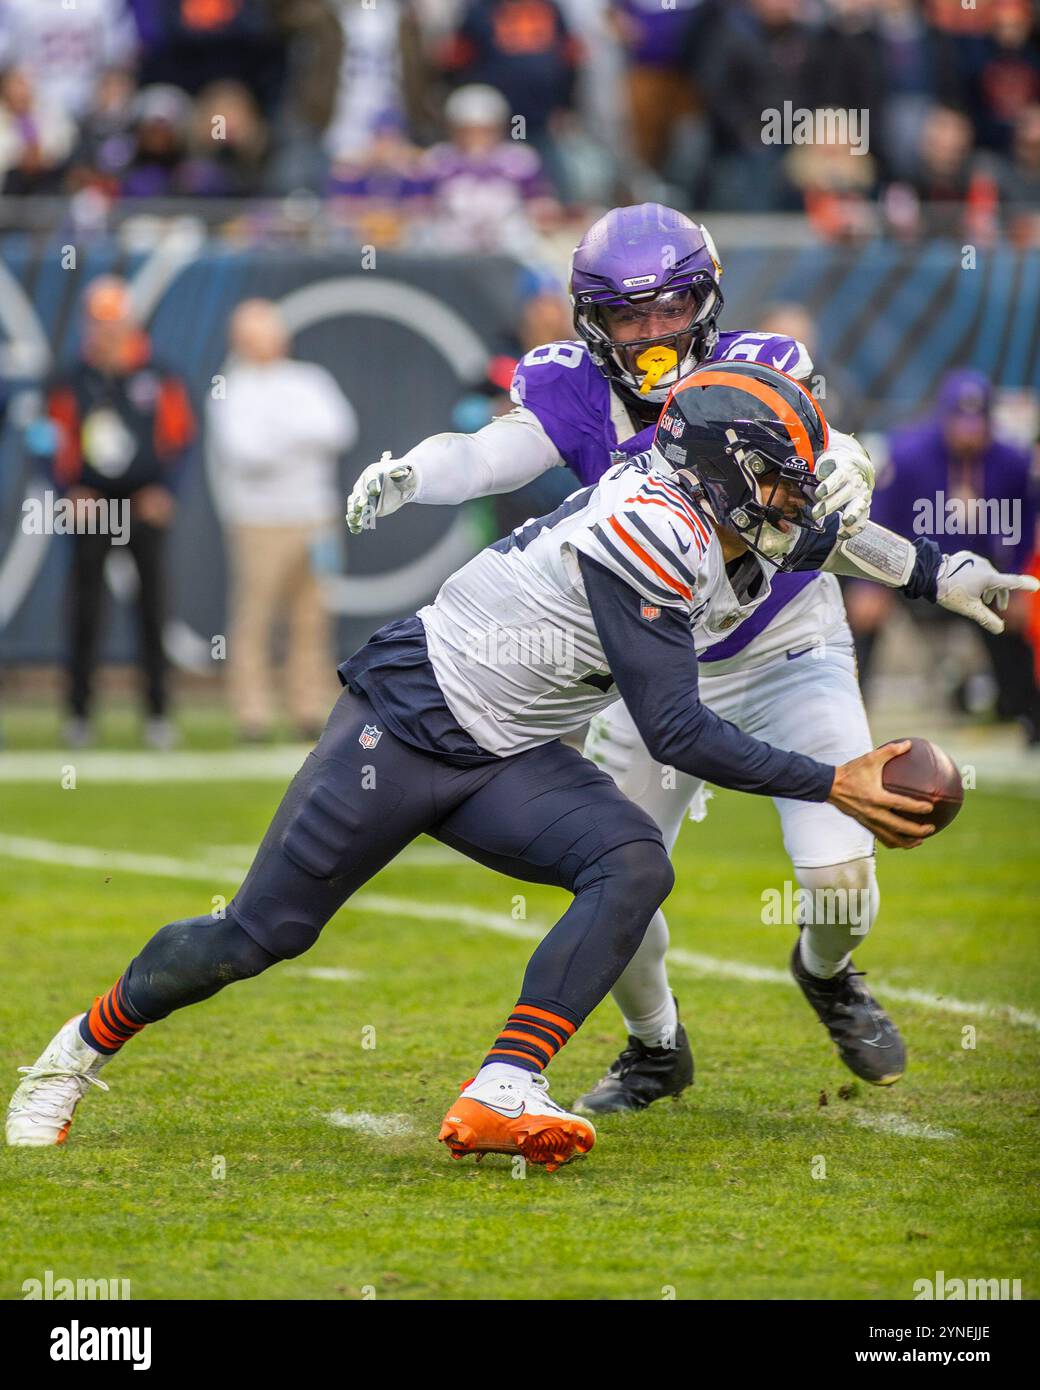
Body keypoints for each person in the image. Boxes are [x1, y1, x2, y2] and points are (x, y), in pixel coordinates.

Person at [7, 362, 954, 1167]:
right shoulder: (654, 527)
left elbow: (838, 540)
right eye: (782, 481)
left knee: (631, 859)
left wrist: (945, 578)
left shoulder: (725, 502)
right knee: (257, 937)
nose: (798, 499)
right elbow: (676, 732)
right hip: (408, 726)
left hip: (505, 749)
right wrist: (832, 779)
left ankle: (505, 1085)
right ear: (727, 472)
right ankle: (72, 1052)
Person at [346, 202, 1036, 1115]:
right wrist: (417, 474)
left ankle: (826, 973)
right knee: (615, 875)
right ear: (592, 320)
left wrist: (906, 534)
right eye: (630, 316)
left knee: (838, 880)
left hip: (789, 642)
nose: (655, 332)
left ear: (707, 301)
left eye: (672, 309)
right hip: (654, 667)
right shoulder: (570, 385)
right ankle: (655, 1045)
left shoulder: (762, 371)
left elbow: (832, 487)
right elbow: (485, 457)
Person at [43, 276, 195, 750]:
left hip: (141, 502)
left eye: (115, 322)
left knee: (152, 608)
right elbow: (47, 439)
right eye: (100, 322)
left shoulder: (157, 373)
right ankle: (79, 713)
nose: (108, 332)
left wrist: (165, 491)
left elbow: (181, 437)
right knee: (85, 609)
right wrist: (68, 489)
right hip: (94, 504)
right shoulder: (71, 377)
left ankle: (157, 713)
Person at [848, 368, 1040, 743]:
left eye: (976, 421)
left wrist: (1016, 577)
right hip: (909, 572)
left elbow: (1026, 525)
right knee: (858, 613)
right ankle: (852, 711)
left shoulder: (1012, 463)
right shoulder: (908, 456)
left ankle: (1021, 712)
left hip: (975, 574)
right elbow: (878, 517)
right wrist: (867, 582)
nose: (968, 433)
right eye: (960, 421)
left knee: (1016, 606)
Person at [209, 298, 357, 743]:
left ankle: (308, 708)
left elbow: (338, 430)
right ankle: (252, 713)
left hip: (314, 517)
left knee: (313, 618)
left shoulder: (309, 379)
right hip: (260, 521)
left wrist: (283, 437)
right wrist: (298, 438)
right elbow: (246, 452)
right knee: (255, 618)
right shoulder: (230, 388)